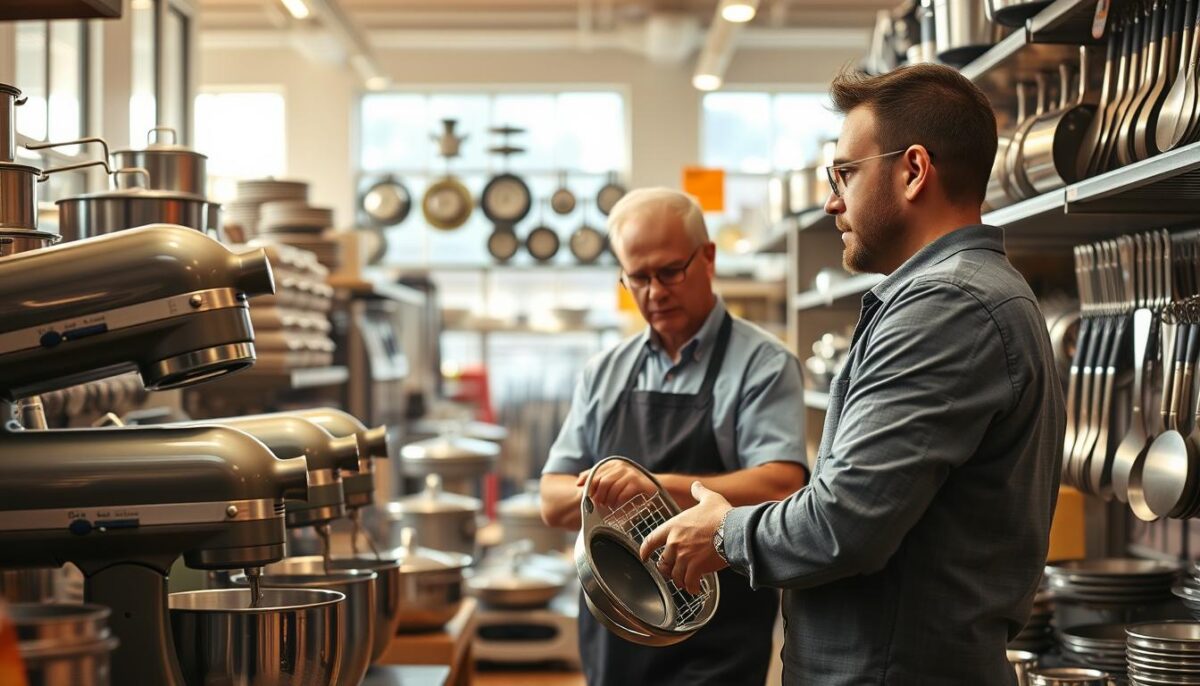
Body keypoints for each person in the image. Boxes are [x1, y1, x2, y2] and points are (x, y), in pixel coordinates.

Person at [641, 64, 1066, 684]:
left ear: (914, 170)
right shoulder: (959, 297)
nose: (831, 200)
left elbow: (845, 523)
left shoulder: (946, 307)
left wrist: (726, 532)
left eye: (845, 173)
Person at [539, 187, 809, 686]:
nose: (655, 293)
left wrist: (651, 488)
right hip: (614, 637)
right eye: (637, 278)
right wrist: (616, 489)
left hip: (713, 645)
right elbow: (552, 500)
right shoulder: (605, 372)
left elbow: (782, 487)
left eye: (669, 272)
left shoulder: (762, 365)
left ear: (707, 257)